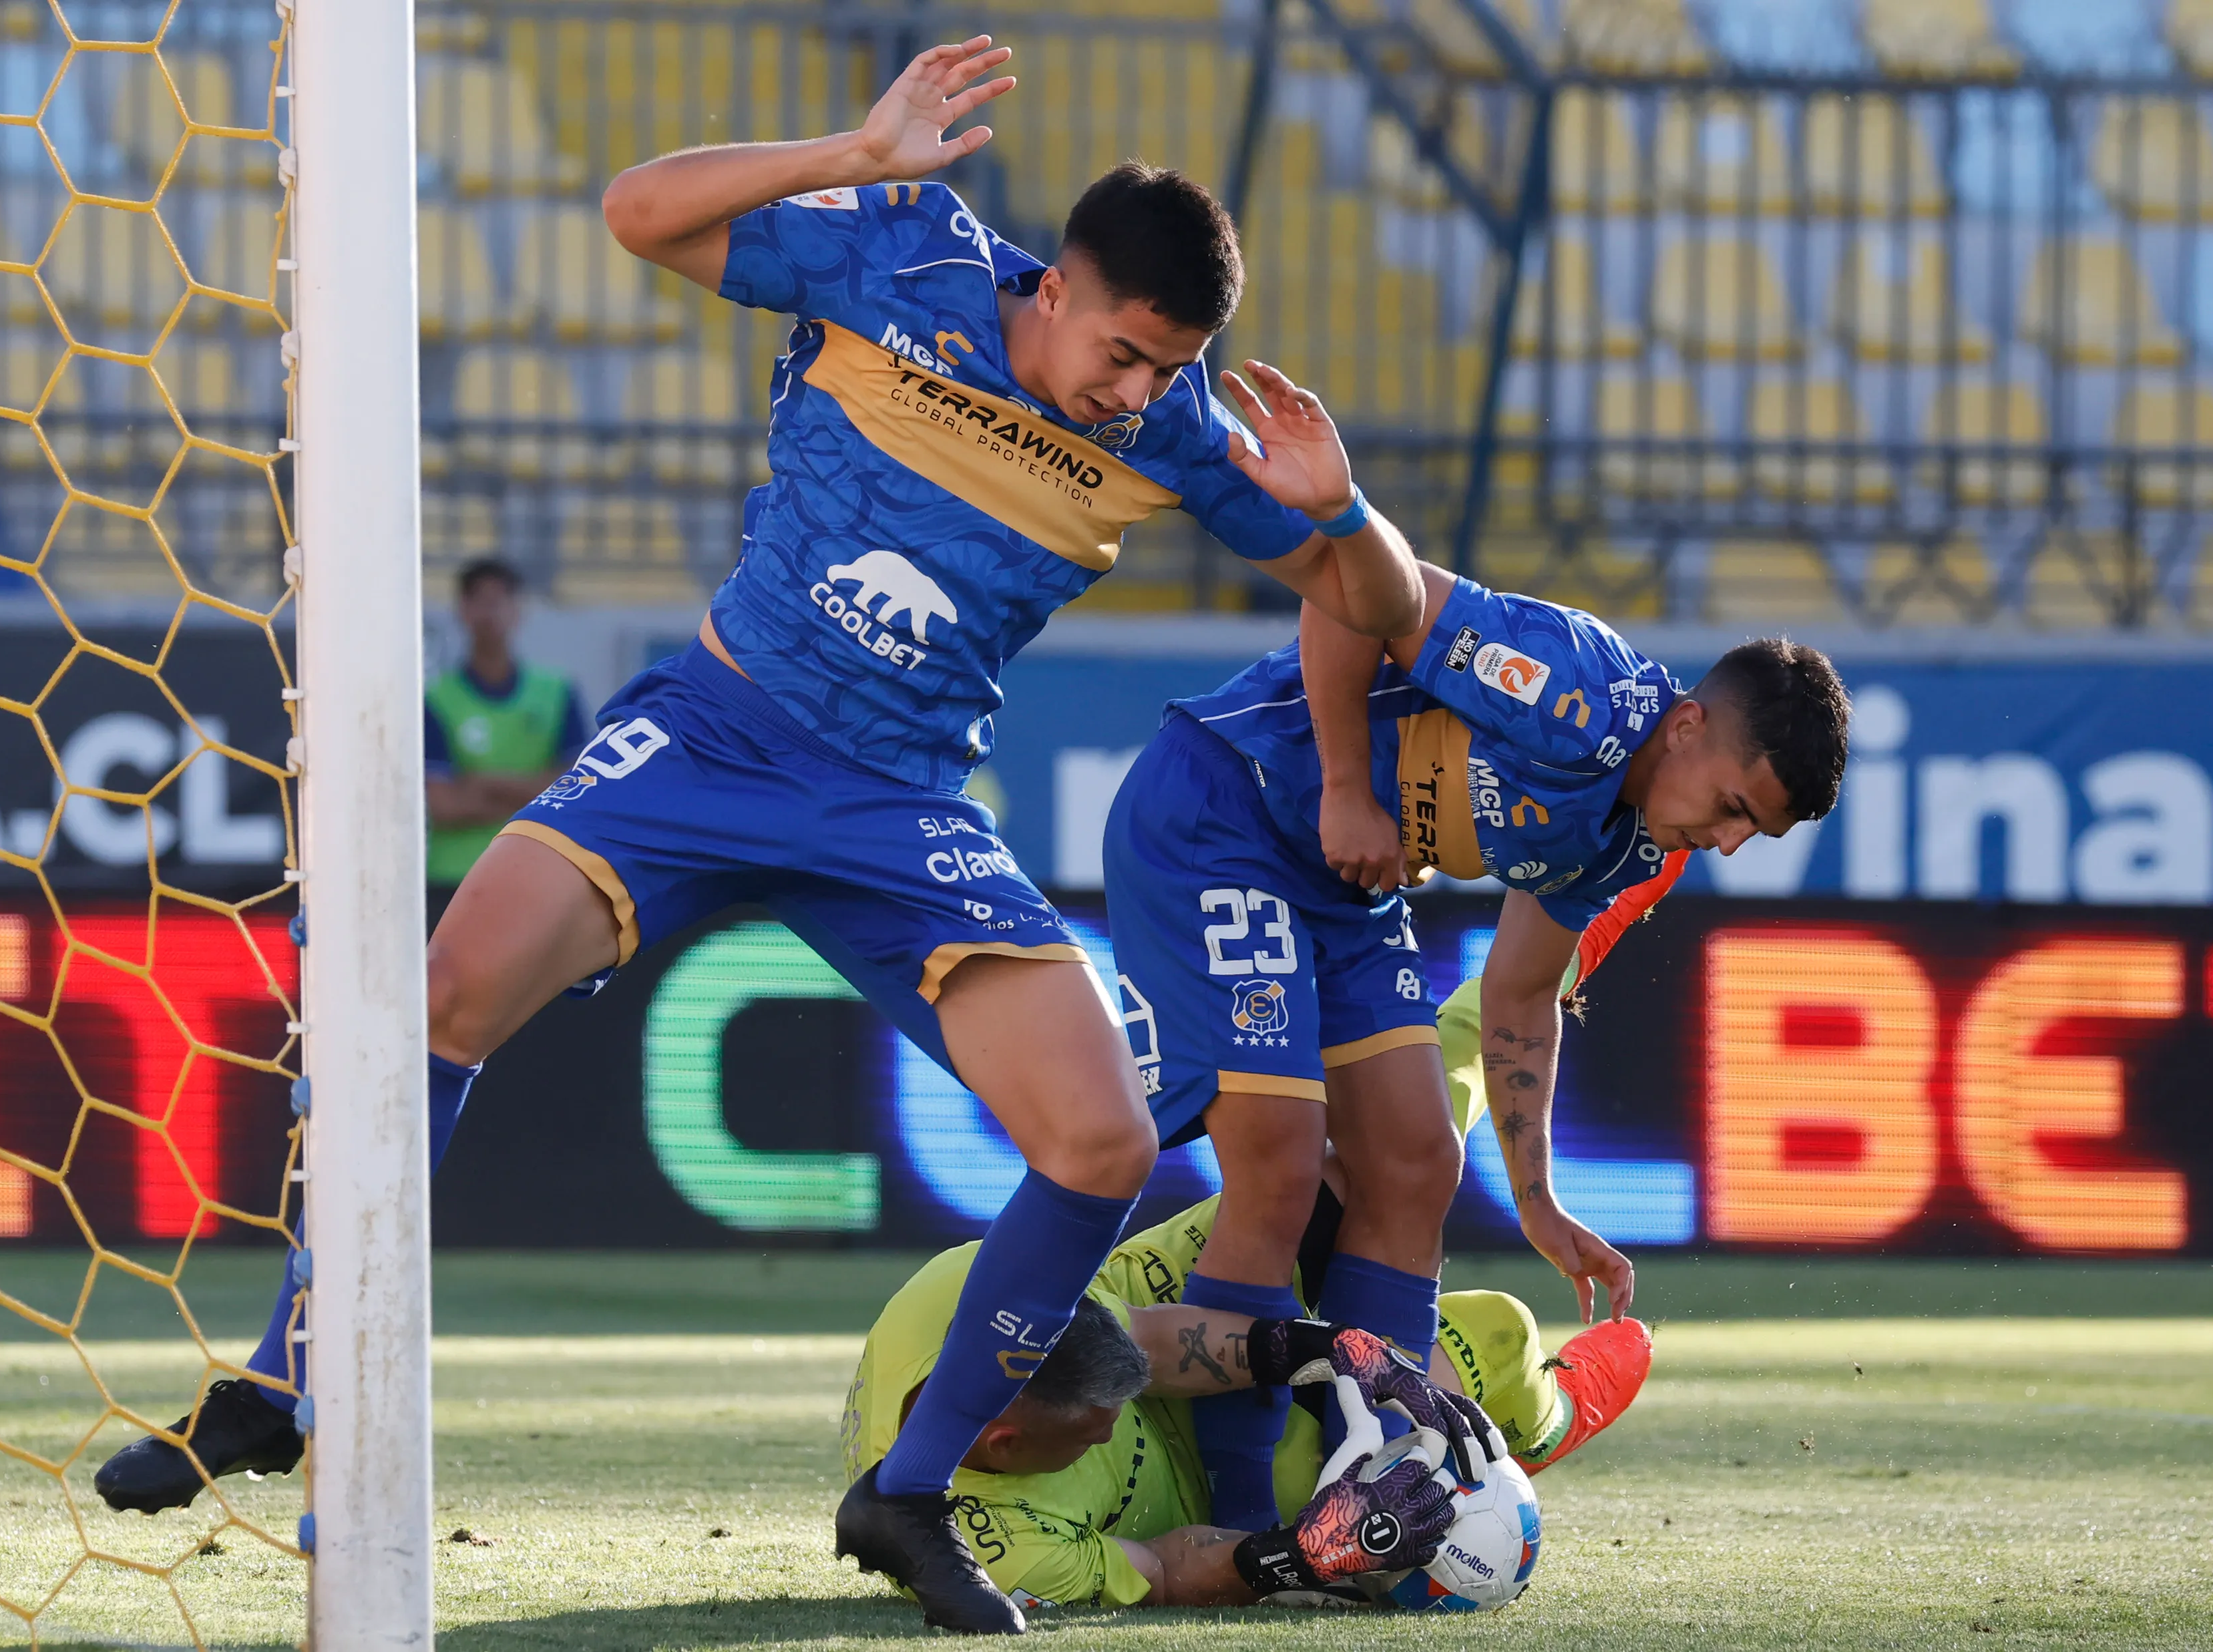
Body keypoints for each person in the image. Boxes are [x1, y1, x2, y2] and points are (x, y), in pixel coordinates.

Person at [91, 36, 1424, 1635]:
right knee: (436, 1000)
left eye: (1167, 367)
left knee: (1106, 1143)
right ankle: (285, 1381)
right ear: (1057, 284)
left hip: (899, 808)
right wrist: (853, 154)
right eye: (1125, 352)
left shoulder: (1184, 431)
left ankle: (908, 1492)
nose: (1136, 392)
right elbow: (636, 212)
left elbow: (1376, 605)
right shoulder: (902, 253)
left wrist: (1343, 512)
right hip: (716, 734)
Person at [1101, 555, 1846, 1529]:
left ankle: (1367, 1499)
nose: (1730, 843)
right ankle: (1236, 1528)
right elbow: (1350, 589)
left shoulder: (1631, 842)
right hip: (1224, 813)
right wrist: (1345, 787)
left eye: (1756, 832)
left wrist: (1537, 1202)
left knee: (1416, 1161)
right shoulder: (1571, 687)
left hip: (1343, 885)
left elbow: (1523, 992)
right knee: (1281, 1169)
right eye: (1735, 807)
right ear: (1687, 725)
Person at [842, 1177, 1654, 1610]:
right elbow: (1164, 1569)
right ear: (1003, 1441)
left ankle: (1559, 938)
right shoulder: (991, 1549)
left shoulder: (970, 1283)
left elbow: (1154, 1343)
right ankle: (1546, 1425)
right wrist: (1301, 1554)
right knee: (1490, 1352)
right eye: (1093, 1428)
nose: (1111, 1429)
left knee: (1352, 1166)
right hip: (1202, 1494)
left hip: (1157, 1304)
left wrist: (1332, 1347)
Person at [425, 559, 594, 890]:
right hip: (455, 879)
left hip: (538, 873)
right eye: (479, 601)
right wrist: (537, 793)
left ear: (519, 609)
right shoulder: (436, 699)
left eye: (499, 600)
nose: (490, 613)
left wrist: (484, 782)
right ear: (462, 611)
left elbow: (576, 791)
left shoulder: (557, 693)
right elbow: (444, 806)